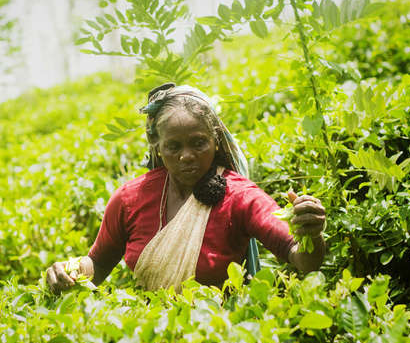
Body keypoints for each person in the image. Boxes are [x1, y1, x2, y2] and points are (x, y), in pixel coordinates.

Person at [46, 83, 326, 293]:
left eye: (198, 143)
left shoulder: (240, 197)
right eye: (173, 146)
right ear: (157, 147)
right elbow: (98, 262)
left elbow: (303, 260)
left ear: (216, 141)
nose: (186, 156)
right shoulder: (130, 199)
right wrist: (69, 271)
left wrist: (310, 233)